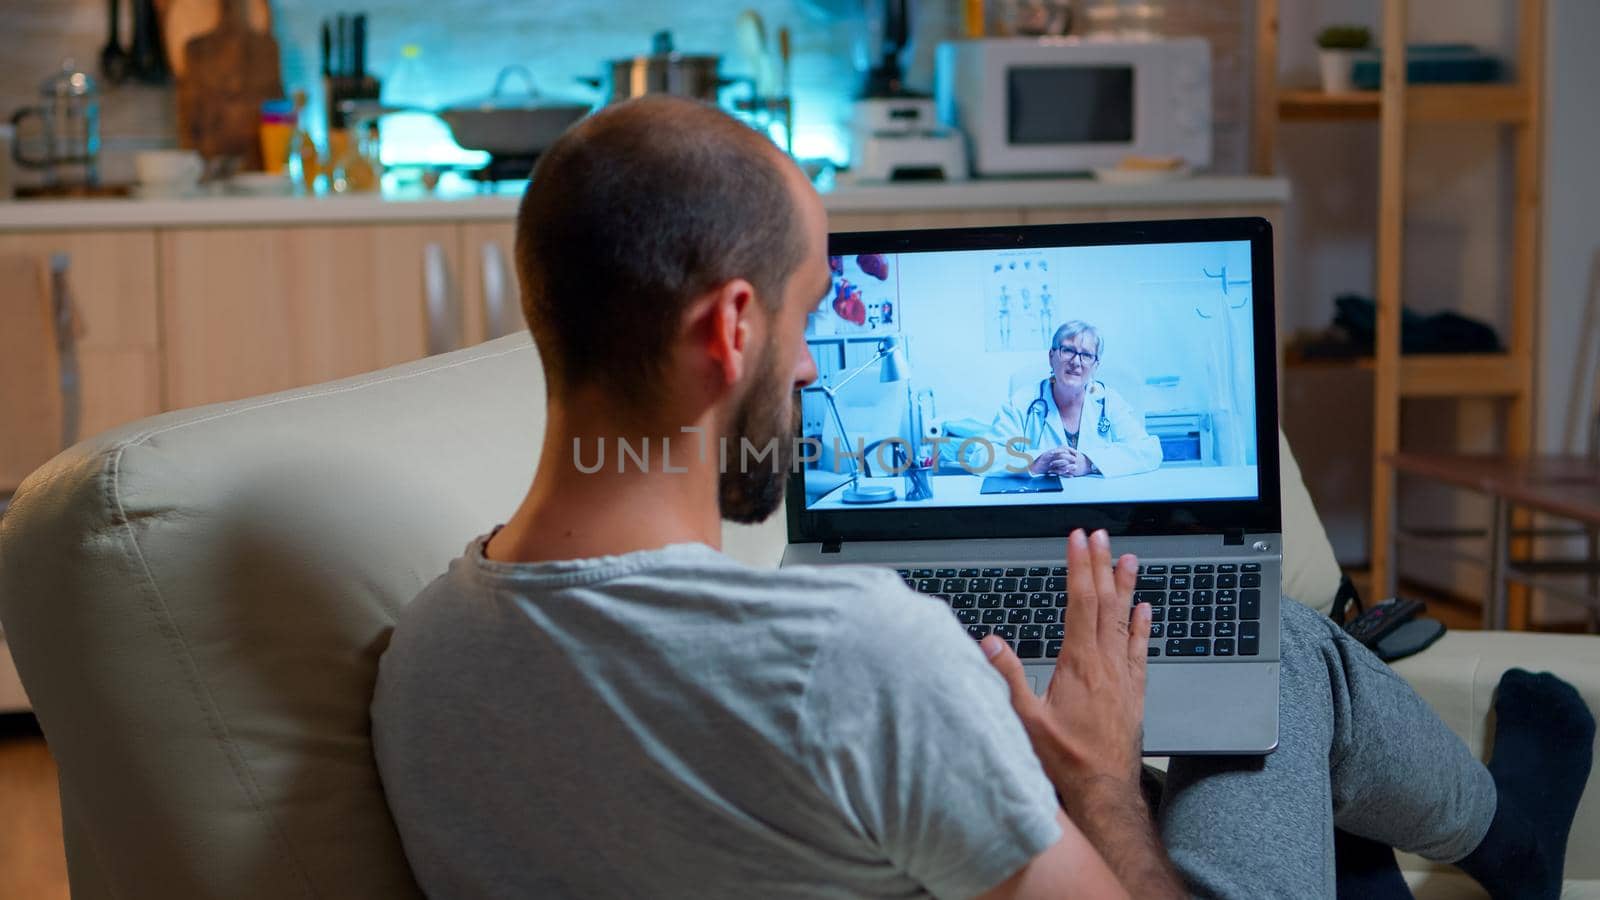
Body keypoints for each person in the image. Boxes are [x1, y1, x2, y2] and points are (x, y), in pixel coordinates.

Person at [370, 96, 1594, 900]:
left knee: (1251, 647)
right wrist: (1099, 777)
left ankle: (1457, 834)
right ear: (732, 326)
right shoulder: (860, 657)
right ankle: (1496, 835)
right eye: (806, 323)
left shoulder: (423, 652)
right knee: (1276, 648)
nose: (808, 368)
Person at [989, 321, 1164, 479]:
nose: (1076, 362)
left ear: (1095, 365)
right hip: (1040, 504)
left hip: (1099, 503)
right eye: (1068, 351)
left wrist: (1089, 463)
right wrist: (1036, 463)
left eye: (1086, 355)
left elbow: (1150, 451)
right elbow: (982, 456)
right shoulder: (1023, 401)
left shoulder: (1109, 401)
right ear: (1051, 356)